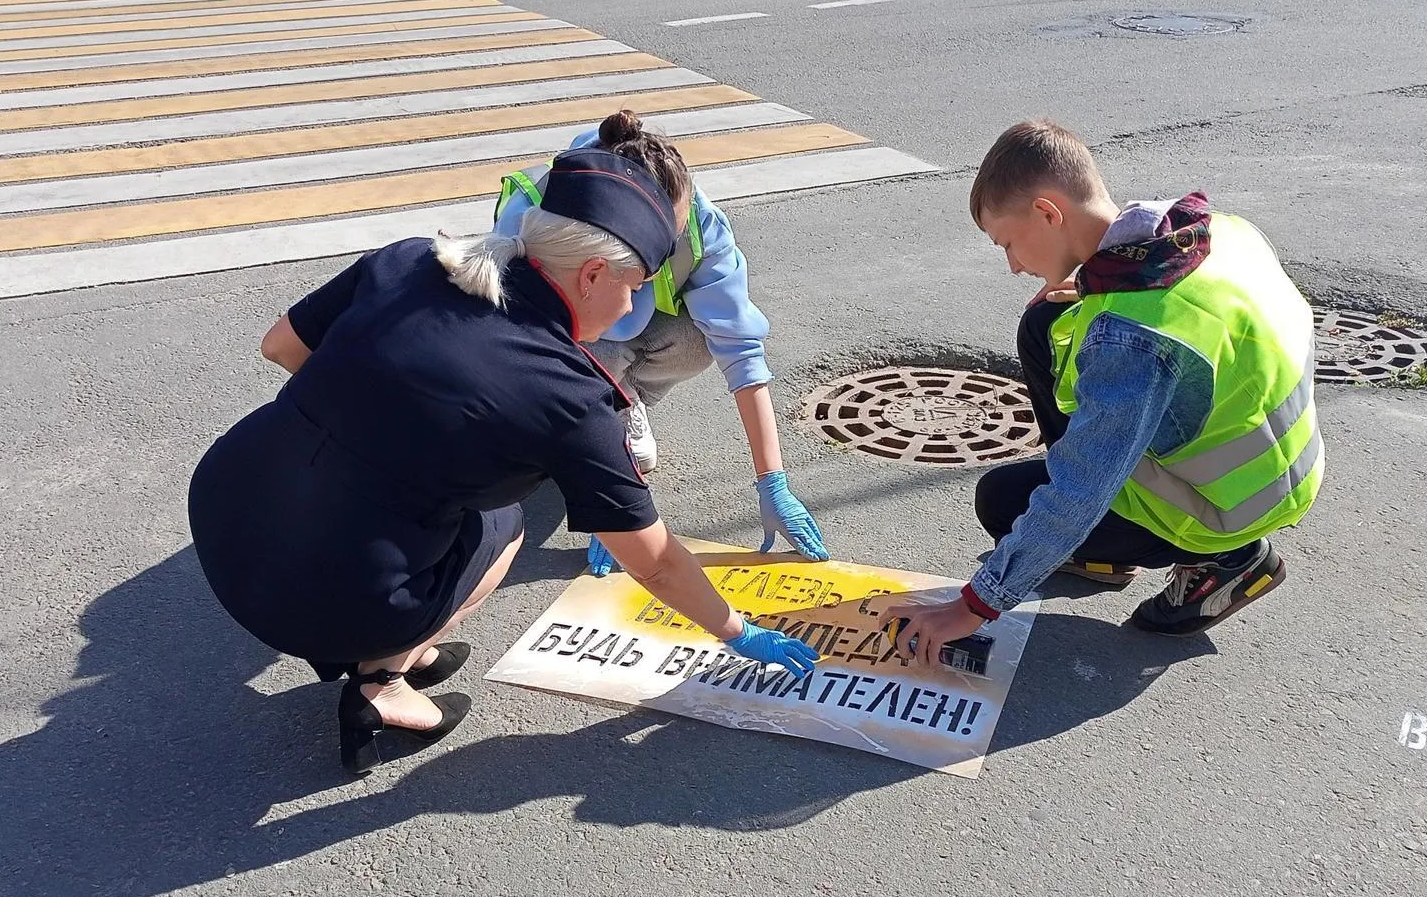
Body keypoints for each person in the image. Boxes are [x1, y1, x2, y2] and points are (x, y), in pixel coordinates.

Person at [187, 131, 820, 776]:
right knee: (503, 523)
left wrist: (374, 410)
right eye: (634, 287)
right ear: (594, 273)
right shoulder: (569, 395)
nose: (633, 306)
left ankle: (398, 641)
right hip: (321, 603)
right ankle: (383, 675)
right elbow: (654, 563)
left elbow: (281, 347)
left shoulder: (408, 260)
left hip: (223, 512)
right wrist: (738, 632)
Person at [890, 119, 1323, 662]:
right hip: (1280, 466)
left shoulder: (1134, 339)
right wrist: (1094, 281)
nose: (1014, 265)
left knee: (1004, 504)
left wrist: (976, 604)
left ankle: (1227, 564)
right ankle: (1109, 555)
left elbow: (1080, 488)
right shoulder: (1220, 231)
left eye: (1010, 243)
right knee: (1045, 324)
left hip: (1222, 512)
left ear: (1049, 213)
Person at [492, 113, 828, 578]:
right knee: (567, 394)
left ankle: (623, 403)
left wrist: (774, 482)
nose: (665, 250)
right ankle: (570, 429)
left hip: (624, 333)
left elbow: (740, 348)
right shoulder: (534, 220)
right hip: (558, 341)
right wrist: (609, 502)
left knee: (693, 338)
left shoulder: (697, 219)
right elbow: (519, 344)